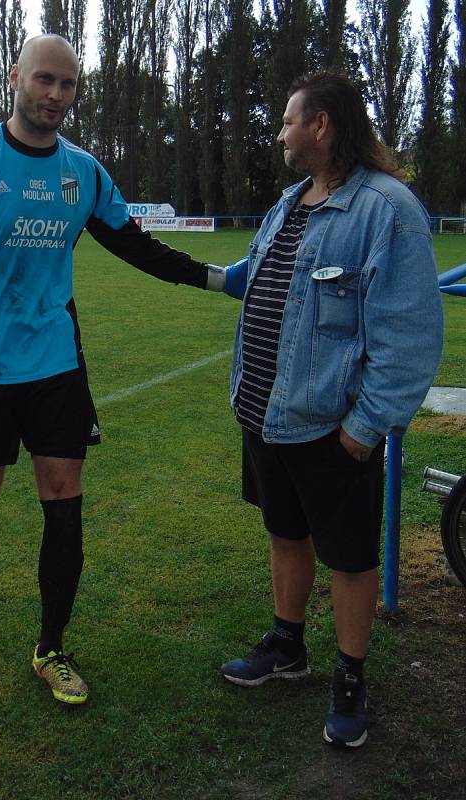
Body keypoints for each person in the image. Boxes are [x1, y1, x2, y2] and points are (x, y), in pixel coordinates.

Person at [0, 34, 225, 706]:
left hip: (56, 361)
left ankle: (51, 647)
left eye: (68, 85)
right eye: (45, 81)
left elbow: (134, 245)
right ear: (15, 79)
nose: (56, 96)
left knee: (63, 501)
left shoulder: (83, 171)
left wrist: (217, 279)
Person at [218, 73, 443, 748]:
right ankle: (288, 645)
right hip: (263, 415)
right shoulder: (288, 203)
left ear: (320, 126)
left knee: (348, 557)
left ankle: (349, 674)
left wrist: (363, 429)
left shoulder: (387, 210)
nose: (280, 133)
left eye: (288, 121)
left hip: (330, 427)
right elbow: (255, 284)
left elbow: (408, 337)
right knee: (285, 534)